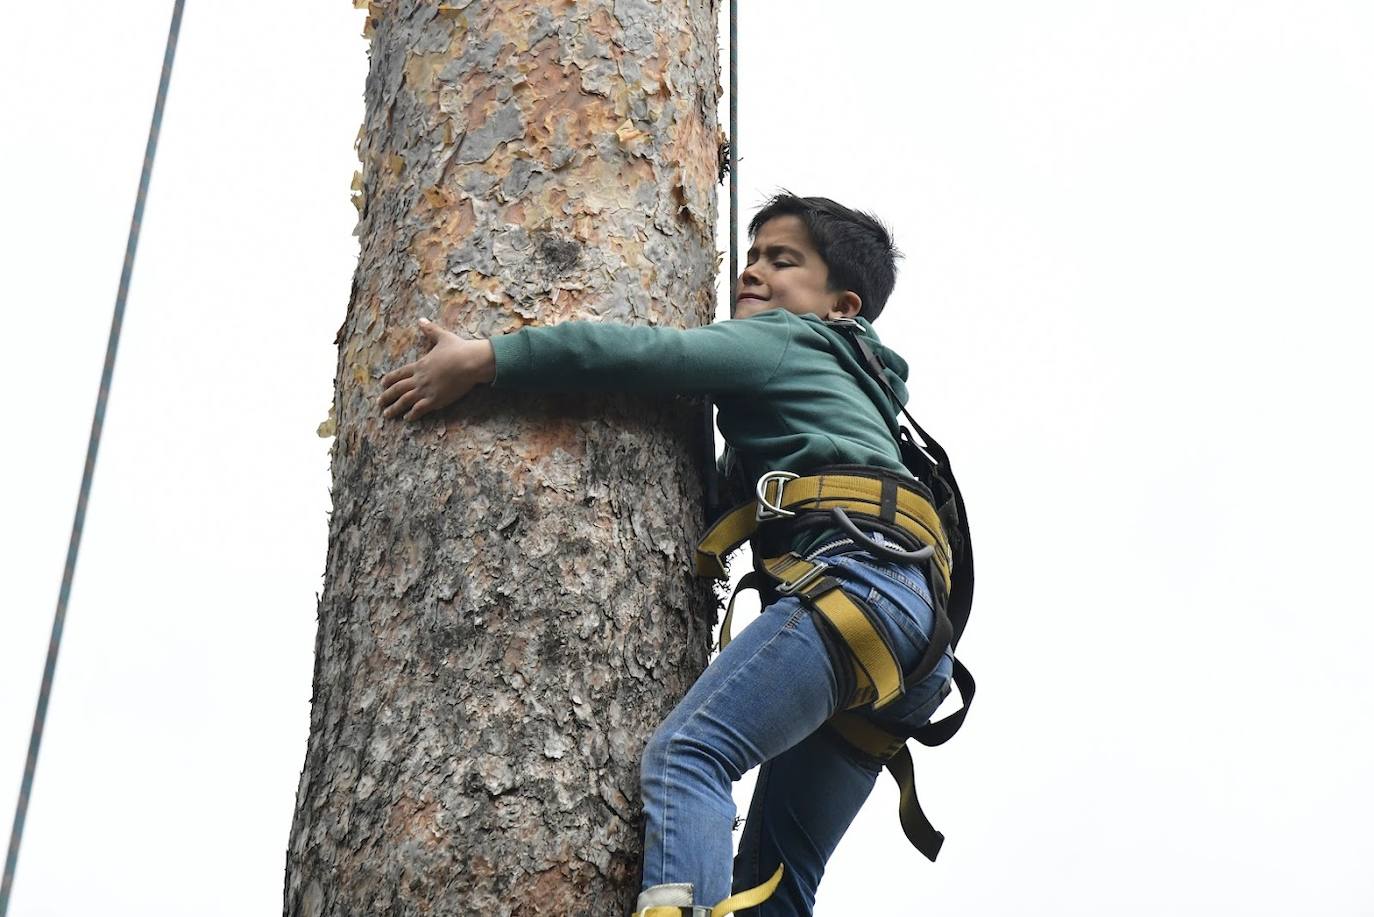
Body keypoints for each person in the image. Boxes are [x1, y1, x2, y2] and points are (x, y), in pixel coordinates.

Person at [378, 194, 959, 916]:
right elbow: (728, 500)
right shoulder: (860, 395)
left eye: (784, 261)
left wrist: (488, 359)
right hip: (914, 646)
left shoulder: (786, 339)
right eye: (752, 256)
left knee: (690, 754)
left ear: (843, 305)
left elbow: (647, 354)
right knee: (778, 882)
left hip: (860, 593)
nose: (754, 272)